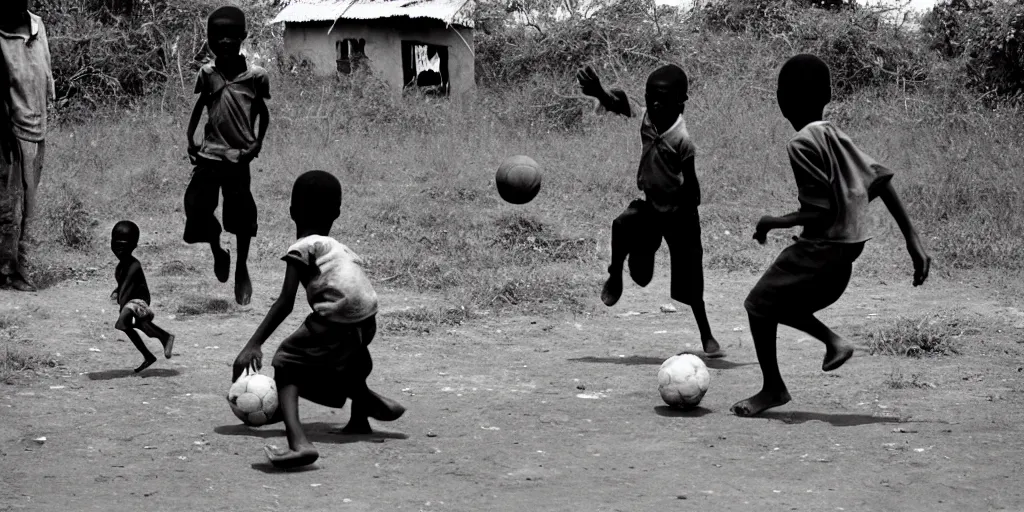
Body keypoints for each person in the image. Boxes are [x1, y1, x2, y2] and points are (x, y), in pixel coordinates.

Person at [731, 54, 931, 417]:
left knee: (758, 305)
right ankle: (830, 344)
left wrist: (771, 221)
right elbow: (881, 180)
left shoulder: (801, 143)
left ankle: (779, 384)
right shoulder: (833, 133)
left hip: (821, 247)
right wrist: (911, 239)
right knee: (777, 305)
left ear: (781, 101)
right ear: (827, 94)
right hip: (847, 250)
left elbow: (819, 211)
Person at [231, 170, 405, 469]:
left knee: (287, 362)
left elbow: (285, 302)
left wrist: (253, 344)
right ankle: (362, 412)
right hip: (367, 318)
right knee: (350, 361)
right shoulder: (339, 247)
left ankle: (299, 443)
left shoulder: (302, 247)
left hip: (336, 319)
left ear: (291, 210)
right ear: (337, 211)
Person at [577, 64, 722, 358]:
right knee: (623, 226)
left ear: (681, 101)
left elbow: (693, 187)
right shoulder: (646, 117)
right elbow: (620, 104)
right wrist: (600, 92)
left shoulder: (683, 140)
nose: (654, 103)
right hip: (651, 207)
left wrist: (684, 216)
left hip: (680, 214)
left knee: (692, 281)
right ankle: (615, 274)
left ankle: (707, 335)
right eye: (650, 96)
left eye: (663, 99)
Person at [184, 5, 270, 305]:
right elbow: (200, 105)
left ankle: (242, 267)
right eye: (216, 36)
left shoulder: (255, 76)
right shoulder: (207, 73)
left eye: (230, 36)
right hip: (209, 154)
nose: (223, 41)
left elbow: (263, 113)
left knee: (241, 216)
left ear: (243, 37)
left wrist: (257, 143)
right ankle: (217, 248)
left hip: (238, 156)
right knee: (195, 207)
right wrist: (189, 137)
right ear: (208, 38)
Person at [0, 0, 55, 291]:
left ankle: (19, 267)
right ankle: (8, 272)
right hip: (8, 132)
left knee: (28, 204)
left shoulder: (37, 25)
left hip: (36, 127)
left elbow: (42, 71)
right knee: (9, 205)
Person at [111, 221, 176, 373]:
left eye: (124, 245)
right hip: (130, 302)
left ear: (134, 246)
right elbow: (122, 285)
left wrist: (122, 305)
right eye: (116, 244)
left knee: (123, 322)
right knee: (132, 326)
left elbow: (127, 286)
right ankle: (156, 347)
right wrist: (116, 291)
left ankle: (163, 339)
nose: (119, 249)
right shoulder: (121, 266)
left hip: (138, 302)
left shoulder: (134, 265)